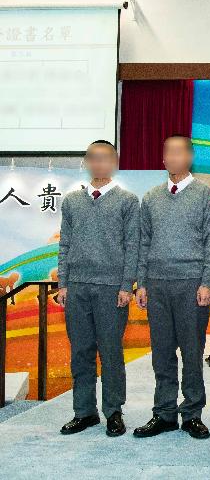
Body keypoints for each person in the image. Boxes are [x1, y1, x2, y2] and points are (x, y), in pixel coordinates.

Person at [133, 135, 210, 440]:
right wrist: (141, 282)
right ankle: (164, 413)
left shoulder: (206, 194)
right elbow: (143, 242)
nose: (170, 157)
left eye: (177, 152)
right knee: (161, 353)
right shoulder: (152, 197)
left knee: (192, 352)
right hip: (157, 284)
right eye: (166, 152)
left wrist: (206, 281)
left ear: (189, 157)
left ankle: (193, 413)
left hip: (191, 284)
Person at [55, 139, 140, 437]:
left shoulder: (128, 201)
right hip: (76, 288)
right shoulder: (72, 201)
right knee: (81, 352)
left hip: (110, 289)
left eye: (106, 158)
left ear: (114, 163)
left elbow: (133, 246)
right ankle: (84, 412)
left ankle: (114, 411)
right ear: (87, 162)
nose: (100, 163)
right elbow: (64, 244)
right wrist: (62, 283)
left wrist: (126, 285)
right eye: (94, 158)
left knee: (111, 352)